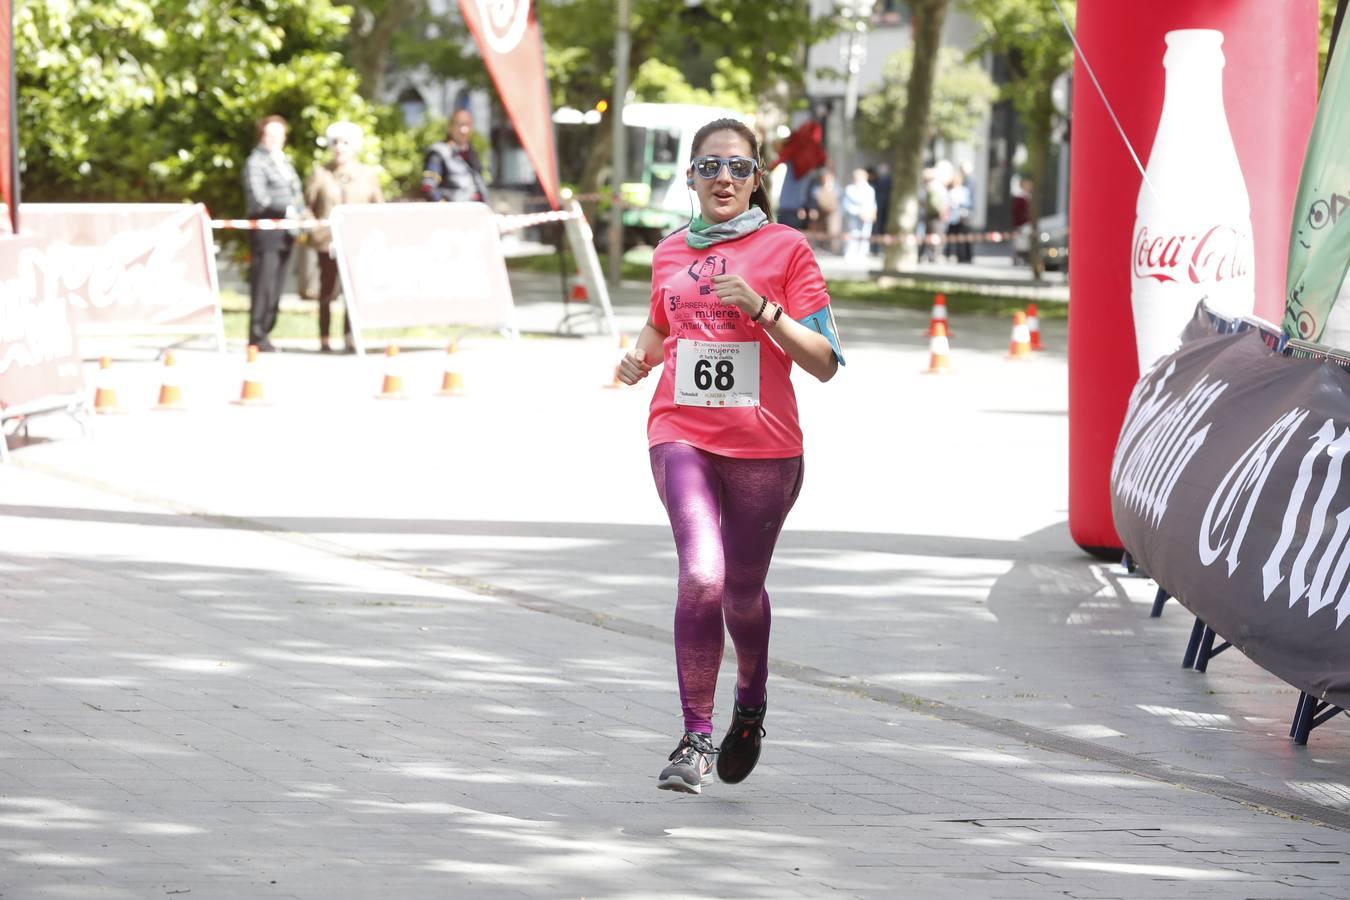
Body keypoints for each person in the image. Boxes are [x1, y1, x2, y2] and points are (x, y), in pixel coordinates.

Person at [616, 118, 845, 795]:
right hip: (679, 432)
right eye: (710, 166)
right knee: (704, 575)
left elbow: (827, 363)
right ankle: (694, 738)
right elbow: (662, 326)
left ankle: (751, 702)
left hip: (766, 446)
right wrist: (638, 357)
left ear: (757, 179)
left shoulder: (786, 248)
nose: (724, 178)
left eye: (739, 168)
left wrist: (766, 310)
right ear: (689, 176)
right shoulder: (668, 252)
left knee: (742, 593)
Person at [304, 121, 384, 353]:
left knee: (353, 291)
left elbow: (377, 206)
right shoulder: (321, 173)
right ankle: (325, 336)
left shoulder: (368, 175)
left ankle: (350, 335)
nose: (340, 148)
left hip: (356, 244)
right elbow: (307, 205)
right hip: (326, 243)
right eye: (336, 142)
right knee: (327, 291)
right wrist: (313, 227)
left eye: (345, 143)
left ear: (354, 147)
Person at [243, 114, 305, 352]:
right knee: (264, 284)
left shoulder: (283, 162)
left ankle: (266, 332)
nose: (275, 139)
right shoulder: (256, 162)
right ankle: (256, 335)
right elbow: (259, 199)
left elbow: (295, 193)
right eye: (270, 134)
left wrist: (300, 212)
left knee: (277, 285)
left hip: (287, 230)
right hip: (267, 231)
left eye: (279, 135)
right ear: (262, 135)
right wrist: (286, 209)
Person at [421, 108, 489, 203]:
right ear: (450, 127)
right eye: (460, 124)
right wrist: (447, 209)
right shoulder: (439, 154)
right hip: (453, 214)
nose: (464, 130)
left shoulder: (472, 155)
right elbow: (428, 188)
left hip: (475, 213)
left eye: (468, 125)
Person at [841, 168, 877, 260]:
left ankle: (862, 253)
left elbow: (872, 203)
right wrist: (859, 212)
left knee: (865, 234)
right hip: (853, 217)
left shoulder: (870, 190)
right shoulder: (850, 189)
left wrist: (872, 213)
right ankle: (851, 251)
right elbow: (847, 204)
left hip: (867, 216)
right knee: (853, 233)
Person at [945, 165, 974, 264]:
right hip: (952, 217)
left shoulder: (964, 190)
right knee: (951, 236)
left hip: (961, 217)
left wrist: (959, 203)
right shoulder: (950, 191)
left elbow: (968, 203)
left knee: (962, 237)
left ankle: (964, 256)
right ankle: (948, 254)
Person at [808, 169, 841, 254]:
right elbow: (813, 202)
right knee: (820, 232)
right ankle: (820, 248)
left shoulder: (837, 190)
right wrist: (813, 210)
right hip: (820, 214)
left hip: (833, 214)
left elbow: (840, 203)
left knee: (832, 232)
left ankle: (832, 250)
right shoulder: (817, 190)